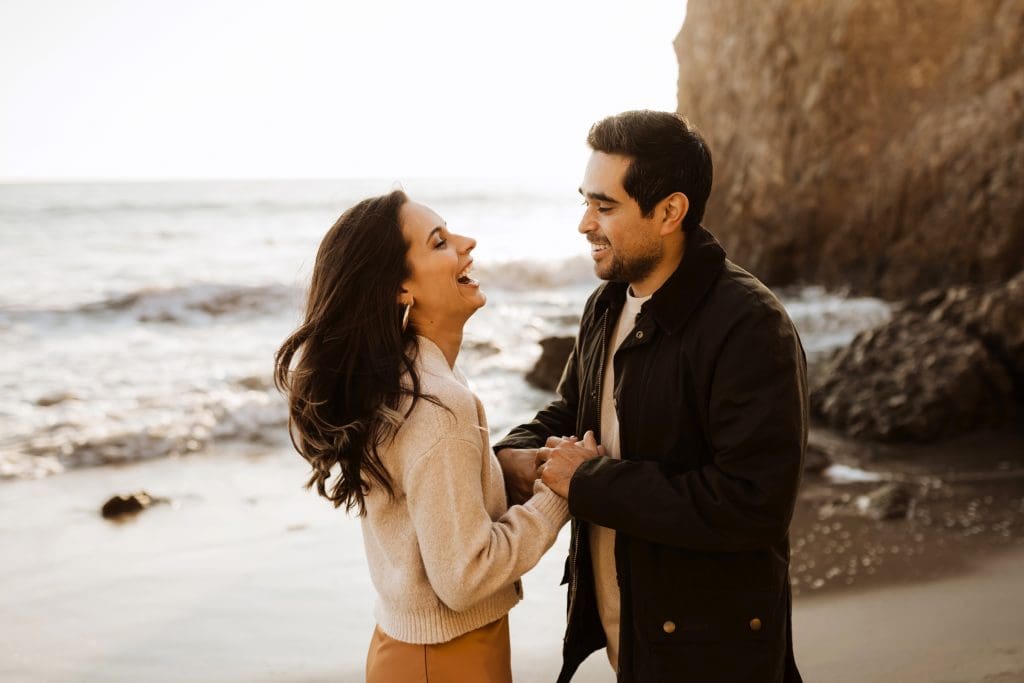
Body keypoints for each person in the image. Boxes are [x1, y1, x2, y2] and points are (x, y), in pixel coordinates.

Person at [495, 110, 807, 683]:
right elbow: (573, 411)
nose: (585, 224)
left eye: (605, 206)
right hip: (635, 637)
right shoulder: (608, 302)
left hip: (714, 654)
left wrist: (587, 483)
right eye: (585, 202)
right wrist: (514, 453)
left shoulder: (749, 324)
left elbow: (752, 504)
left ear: (670, 212)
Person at [274, 190, 570, 683]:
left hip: (410, 652)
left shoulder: (398, 381)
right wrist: (556, 496)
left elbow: (421, 511)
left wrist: (497, 471)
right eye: (439, 242)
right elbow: (464, 577)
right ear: (401, 288)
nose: (466, 243)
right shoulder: (436, 403)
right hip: (448, 659)